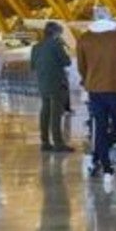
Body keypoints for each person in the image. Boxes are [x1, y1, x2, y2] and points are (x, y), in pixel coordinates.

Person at [76, 6, 116, 190]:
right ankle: (103, 164)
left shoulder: (84, 39)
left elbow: (82, 66)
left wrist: (89, 79)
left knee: (101, 128)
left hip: (95, 91)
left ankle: (104, 164)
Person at [30, 22, 73, 153]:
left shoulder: (36, 47)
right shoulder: (56, 44)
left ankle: (45, 142)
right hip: (57, 82)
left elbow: (32, 66)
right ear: (56, 33)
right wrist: (63, 47)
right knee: (56, 114)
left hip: (43, 83)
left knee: (45, 111)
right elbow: (67, 61)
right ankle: (58, 143)